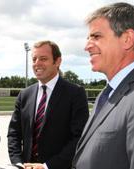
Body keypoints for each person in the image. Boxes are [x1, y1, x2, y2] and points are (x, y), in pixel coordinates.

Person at [72, 2, 134, 169]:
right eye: (88, 38)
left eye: (96, 36)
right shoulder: (106, 95)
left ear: (127, 39)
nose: (87, 46)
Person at [7, 40, 89, 169]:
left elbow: (79, 138)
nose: (37, 63)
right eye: (34, 59)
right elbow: (14, 134)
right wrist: (18, 164)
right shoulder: (24, 95)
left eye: (43, 59)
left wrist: (47, 166)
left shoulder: (75, 93)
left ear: (57, 61)